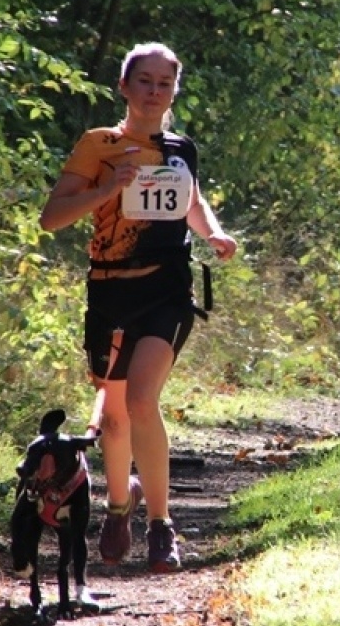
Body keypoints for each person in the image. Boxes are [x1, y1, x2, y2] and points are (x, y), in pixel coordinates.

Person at [39, 42, 237, 572]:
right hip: (110, 292)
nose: (154, 91)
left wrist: (214, 233)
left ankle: (160, 525)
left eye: (164, 83)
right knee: (114, 417)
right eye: (144, 81)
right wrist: (107, 188)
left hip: (166, 292)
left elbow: (191, 200)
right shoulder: (99, 144)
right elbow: (52, 218)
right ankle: (118, 507)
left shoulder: (180, 148)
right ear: (124, 87)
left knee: (143, 401)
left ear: (174, 91)